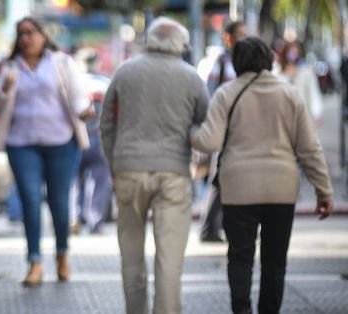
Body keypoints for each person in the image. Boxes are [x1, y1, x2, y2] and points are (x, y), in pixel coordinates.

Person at [191, 37, 333, 314]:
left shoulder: (226, 94)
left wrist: (189, 132)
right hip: (281, 189)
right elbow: (309, 148)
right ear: (268, 60)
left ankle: (242, 310)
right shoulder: (289, 93)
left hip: (238, 189)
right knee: (275, 262)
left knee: (240, 258)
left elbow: (207, 142)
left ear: (237, 62)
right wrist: (323, 191)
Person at [100, 17, 209, 314]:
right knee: (169, 261)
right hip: (173, 173)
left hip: (128, 170)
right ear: (180, 45)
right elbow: (205, 128)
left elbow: (106, 124)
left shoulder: (125, 72)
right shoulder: (192, 78)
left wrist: (115, 163)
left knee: (131, 256)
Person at [0, 16, 92, 286]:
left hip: (62, 142)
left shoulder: (61, 62)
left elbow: (78, 94)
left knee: (59, 202)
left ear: (43, 35)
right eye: (21, 33)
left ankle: (62, 255)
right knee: (31, 202)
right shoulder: (10, 67)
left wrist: (84, 109)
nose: (26, 38)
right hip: (21, 144)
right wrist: (4, 90)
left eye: (31, 32)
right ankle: (34, 262)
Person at [200, 21, 247, 242]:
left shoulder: (245, 61)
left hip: (242, 129)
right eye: (238, 34)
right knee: (219, 178)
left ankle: (224, 227)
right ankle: (209, 228)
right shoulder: (220, 63)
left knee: (233, 178)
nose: (242, 39)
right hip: (224, 130)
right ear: (227, 37)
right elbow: (210, 98)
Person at [70, 48, 113, 234]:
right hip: (100, 138)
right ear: (96, 62)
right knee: (99, 181)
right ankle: (95, 222)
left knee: (73, 181)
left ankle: (74, 218)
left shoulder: (73, 84)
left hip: (76, 139)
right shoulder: (106, 83)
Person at [278, 40, 324, 125]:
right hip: (284, 118)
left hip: (303, 117)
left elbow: (313, 92)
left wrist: (316, 113)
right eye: (291, 51)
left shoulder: (306, 72)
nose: (293, 55)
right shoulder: (279, 73)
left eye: (295, 52)